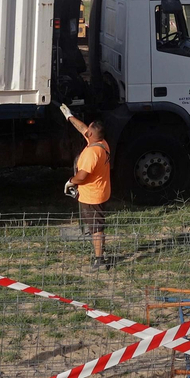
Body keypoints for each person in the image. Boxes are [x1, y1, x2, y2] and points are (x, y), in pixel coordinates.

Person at [62, 107, 112, 269]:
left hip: (92, 196)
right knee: (95, 224)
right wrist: (70, 117)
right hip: (101, 191)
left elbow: (82, 176)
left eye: (88, 130)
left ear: (91, 135)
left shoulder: (91, 153)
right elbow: (83, 128)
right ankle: (99, 255)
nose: (86, 130)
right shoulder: (102, 144)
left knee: (96, 227)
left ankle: (100, 260)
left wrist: (71, 181)